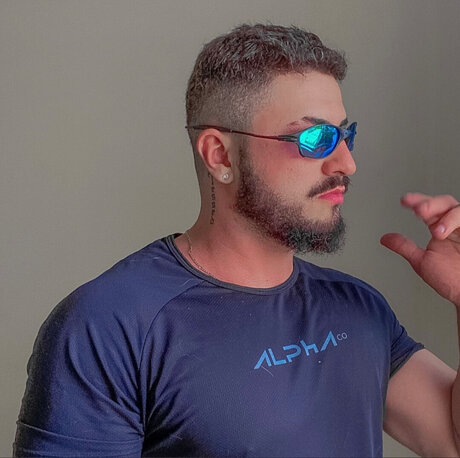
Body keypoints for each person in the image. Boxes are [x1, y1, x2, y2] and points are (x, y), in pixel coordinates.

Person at [13, 23, 460, 458]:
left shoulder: (359, 308)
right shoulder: (108, 326)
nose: (346, 163)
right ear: (220, 155)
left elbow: (452, 441)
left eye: (346, 135)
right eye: (316, 138)